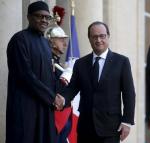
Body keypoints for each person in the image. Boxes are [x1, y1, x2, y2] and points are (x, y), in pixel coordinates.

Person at [56, 21, 136, 143]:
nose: (98, 40)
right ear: (89, 39)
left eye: (102, 36)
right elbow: (72, 89)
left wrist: (127, 121)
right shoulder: (80, 63)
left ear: (108, 36)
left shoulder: (122, 62)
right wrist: (62, 99)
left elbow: (129, 94)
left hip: (110, 128)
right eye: (94, 37)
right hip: (85, 128)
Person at [6, 1, 63, 143]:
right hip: (25, 108)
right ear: (29, 17)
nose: (44, 20)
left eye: (47, 17)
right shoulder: (19, 40)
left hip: (44, 109)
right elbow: (25, 76)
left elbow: (50, 74)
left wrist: (59, 94)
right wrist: (51, 97)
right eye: (39, 16)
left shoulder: (45, 43)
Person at [45, 23, 79, 143]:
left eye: (65, 40)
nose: (65, 44)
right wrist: (65, 77)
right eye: (61, 40)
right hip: (55, 118)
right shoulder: (48, 62)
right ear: (51, 41)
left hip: (66, 115)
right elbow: (53, 90)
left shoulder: (58, 63)